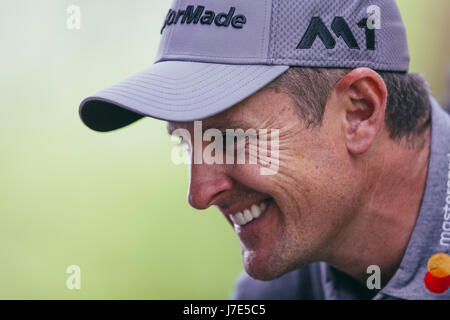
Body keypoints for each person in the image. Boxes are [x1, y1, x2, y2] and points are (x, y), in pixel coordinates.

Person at [78, 0, 450, 300]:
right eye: (186, 142)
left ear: (359, 112)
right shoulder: (276, 288)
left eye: (231, 139)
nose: (199, 194)